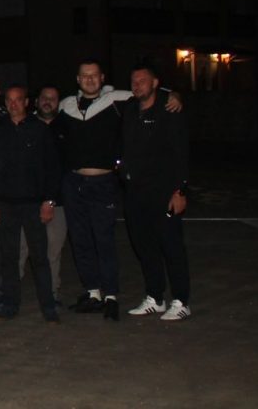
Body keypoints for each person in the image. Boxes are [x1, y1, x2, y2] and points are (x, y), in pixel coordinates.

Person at [56, 59, 179, 321]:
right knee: (80, 240)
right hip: (74, 184)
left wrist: (174, 95)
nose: (89, 80)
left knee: (104, 240)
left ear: (102, 78)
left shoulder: (118, 100)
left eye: (94, 76)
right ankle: (93, 293)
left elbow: (150, 92)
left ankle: (110, 295)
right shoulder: (66, 105)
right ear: (78, 79)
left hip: (103, 184)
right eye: (84, 76)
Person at [0, 86, 61, 322]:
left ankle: (48, 307)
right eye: (9, 100)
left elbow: (52, 168)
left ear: (27, 102)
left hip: (33, 204)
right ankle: (10, 304)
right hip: (6, 204)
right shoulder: (0, 132)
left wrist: (49, 201)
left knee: (40, 257)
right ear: (5, 103)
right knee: (8, 257)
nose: (14, 104)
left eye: (18, 100)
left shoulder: (40, 130)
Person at [121, 64, 191, 321]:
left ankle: (181, 300)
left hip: (165, 192)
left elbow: (182, 153)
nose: (137, 84)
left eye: (143, 80)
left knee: (171, 246)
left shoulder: (170, 109)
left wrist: (180, 190)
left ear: (155, 83)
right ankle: (155, 296)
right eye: (134, 80)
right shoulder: (129, 109)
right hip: (136, 192)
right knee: (143, 245)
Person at [19, 85, 67, 303]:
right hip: (27, 201)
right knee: (20, 249)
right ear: (36, 101)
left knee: (52, 251)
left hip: (58, 202)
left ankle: (51, 294)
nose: (48, 101)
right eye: (44, 98)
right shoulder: (24, 126)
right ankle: (11, 293)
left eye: (53, 98)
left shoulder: (67, 126)